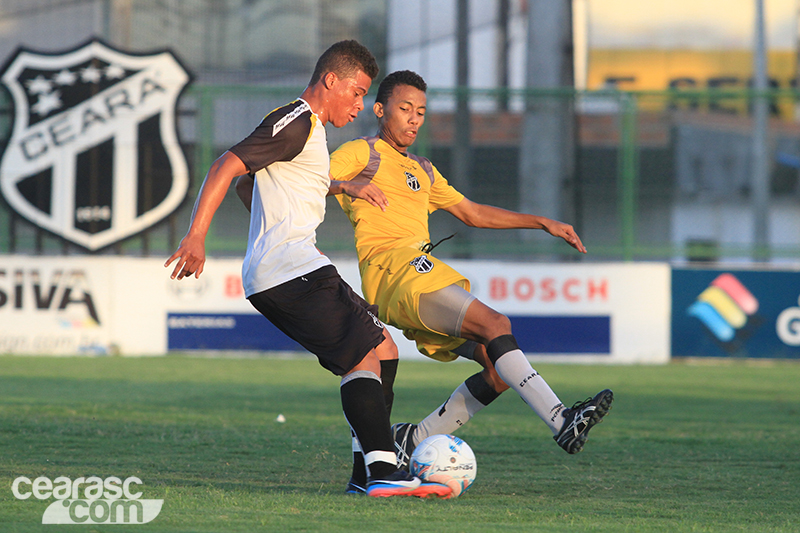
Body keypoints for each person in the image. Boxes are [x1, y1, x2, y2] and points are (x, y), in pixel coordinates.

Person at [236, 70, 614, 488]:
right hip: (396, 271)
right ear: (380, 110)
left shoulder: (423, 170)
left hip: (411, 282)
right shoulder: (362, 152)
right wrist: (345, 185)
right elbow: (305, 179)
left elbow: (471, 213)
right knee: (497, 325)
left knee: (498, 366)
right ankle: (562, 419)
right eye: (404, 109)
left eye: (421, 112)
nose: (414, 119)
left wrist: (540, 222)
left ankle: (412, 439)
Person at [165, 45, 450, 499]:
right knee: (363, 358)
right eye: (357, 93)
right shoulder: (295, 120)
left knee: (385, 349)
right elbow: (227, 165)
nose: (360, 106)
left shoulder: (311, 133)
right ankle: (383, 470)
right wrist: (196, 236)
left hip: (297, 266)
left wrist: (333, 189)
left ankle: (366, 472)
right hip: (288, 270)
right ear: (330, 81)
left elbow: (252, 184)